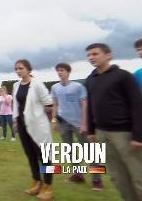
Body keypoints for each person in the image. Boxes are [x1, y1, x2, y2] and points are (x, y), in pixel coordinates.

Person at [85, 43, 142, 201]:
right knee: (118, 178)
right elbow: (91, 106)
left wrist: (139, 136)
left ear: (108, 55)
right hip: (102, 134)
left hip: (125, 134)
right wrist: (91, 130)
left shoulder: (123, 76)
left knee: (139, 176)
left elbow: (137, 106)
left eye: (95, 54)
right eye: (89, 55)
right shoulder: (91, 79)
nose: (91, 57)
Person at [51, 62, 103, 190]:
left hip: (79, 123)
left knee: (90, 151)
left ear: (68, 72)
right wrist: (54, 120)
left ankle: (97, 180)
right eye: (58, 70)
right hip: (63, 123)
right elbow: (55, 104)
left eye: (62, 70)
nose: (59, 72)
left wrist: (85, 123)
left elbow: (85, 105)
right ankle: (78, 175)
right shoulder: (55, 88)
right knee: (70, 151)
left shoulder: (78, 86)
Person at [12, 59, 53, 200]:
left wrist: (43, 119)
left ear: (29, 69)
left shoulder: (37, 84)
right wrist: (15, 120)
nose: (18, 71)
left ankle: (48, 186)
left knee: (44, 157)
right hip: (23, 126)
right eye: (16, 69)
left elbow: (49, 103)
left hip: (38, 126)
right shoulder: (16, 85)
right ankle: (37, 182)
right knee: (30, 155)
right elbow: (16, 105)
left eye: (21, 68)